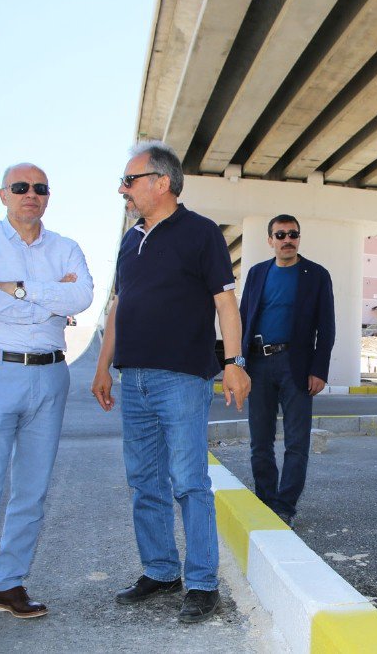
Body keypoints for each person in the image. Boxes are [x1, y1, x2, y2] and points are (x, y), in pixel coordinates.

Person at [91, 140, 251, 624]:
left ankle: (202, 582)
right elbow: (120, 305)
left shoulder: (201, 233)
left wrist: (234, 361)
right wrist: (103, 366)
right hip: (133, 377)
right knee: (144, 481)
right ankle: (161, 570)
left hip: (181, 380)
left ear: (162, 181)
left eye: (130, 180)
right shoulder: (129, 238)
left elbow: (225, 302)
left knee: (188, 481)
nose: (123, 189)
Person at [0, 163, 94, 651]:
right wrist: (50, 304)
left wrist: (21, 289)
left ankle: (7, 584)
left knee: (32, 491)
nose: (30, 195)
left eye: (40, 188)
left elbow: (84, 296)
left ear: (48, 197)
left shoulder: (65, 246)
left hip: (51, 374)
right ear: (3, 194)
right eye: (21, 188)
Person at [239, 215, 335, 526]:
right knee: (260, 440)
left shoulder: (316, 275)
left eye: (293, 234)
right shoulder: (255, 274)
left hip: (297, 365)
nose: (287, 239)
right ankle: (265, 500)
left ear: (299, 237)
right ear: (270, 240)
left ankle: (285, 506)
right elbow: (242, 321)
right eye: (280, 234)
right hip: (258, 364)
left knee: (297, 441)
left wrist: (319, 369)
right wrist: (238, 366)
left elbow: (327, 327)